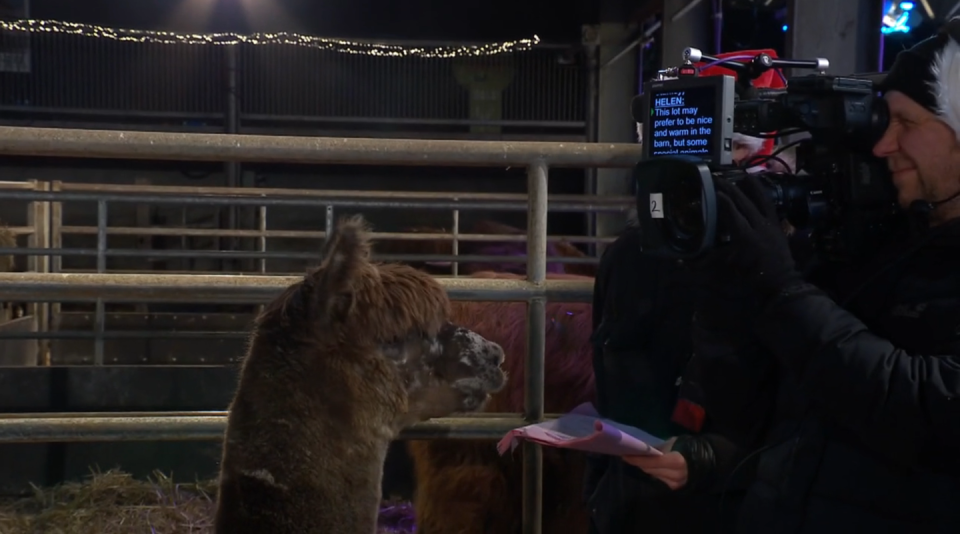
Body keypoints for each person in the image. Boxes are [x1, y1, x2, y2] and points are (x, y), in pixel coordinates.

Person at [626, 20, 960, 533]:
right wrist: (727, 285)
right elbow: (745, 411)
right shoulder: (872, 242)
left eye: (907, 123)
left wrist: (778, 287)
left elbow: (929, 413)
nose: (883, 145)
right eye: (882, 122)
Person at [584, 50, 785, 534]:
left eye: (724, 148)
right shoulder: (631, 256)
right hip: (638, 497)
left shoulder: (786, 264)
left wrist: (711, 458)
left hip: (737, 504)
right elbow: (616, 383)